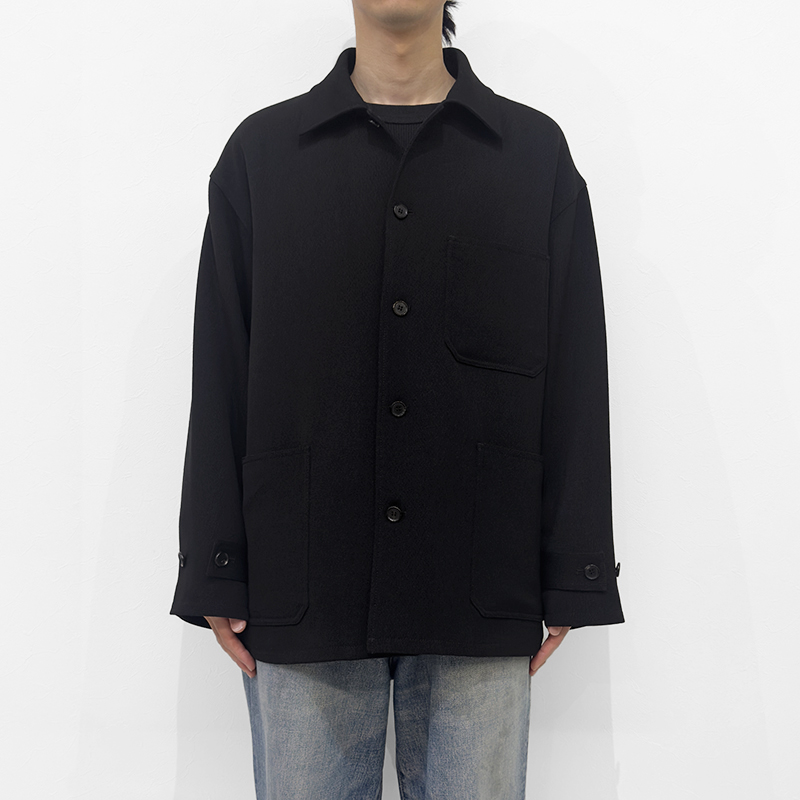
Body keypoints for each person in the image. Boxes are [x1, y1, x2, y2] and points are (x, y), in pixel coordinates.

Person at [170, 1, 624, 797]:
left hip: (478, 582)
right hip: (305, 583)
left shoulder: (533, 157)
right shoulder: (262, 156)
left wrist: (574, 568)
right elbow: (222, 369)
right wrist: (217, 565)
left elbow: (575, 372)